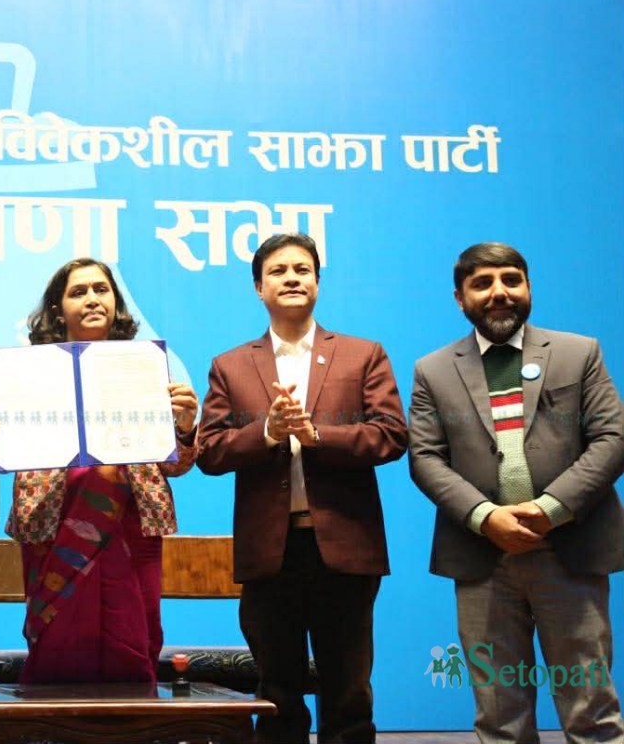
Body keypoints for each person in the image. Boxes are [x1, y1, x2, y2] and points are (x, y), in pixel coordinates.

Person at [409, 242, 624, 744]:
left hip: (568, 550)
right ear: (460, 298)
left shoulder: (578, 353)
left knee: (590, 709)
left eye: (511, 279)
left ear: (528, 287)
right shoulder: (432, 370)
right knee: (500, 717)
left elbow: (612, 439)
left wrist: (550, 510)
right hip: (483, 556)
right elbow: (425, 458)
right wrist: (486, 517)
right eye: (482, 283)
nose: (499, 292)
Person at [196, 233, 406, 744]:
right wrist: (268, 433)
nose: (291, 278)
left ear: (317, 281)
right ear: (258, 287)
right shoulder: (230, 365)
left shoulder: (362, 355)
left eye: (302, 269)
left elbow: (391, 434)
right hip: (272, 554)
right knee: (278, 695)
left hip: (344, 549)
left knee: (348, 694)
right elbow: (210, 452)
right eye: (278, 271)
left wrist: (317, 436)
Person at [0, 257, 199, 684]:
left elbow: (177, 465)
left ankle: (134, 720)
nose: (92, 299)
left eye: (101, 289)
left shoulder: (145, 368)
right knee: (59, 649)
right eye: (78, 292)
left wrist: (185, 427)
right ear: (58, 310)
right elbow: (5, 452)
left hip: (131, 526)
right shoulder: (25, 374)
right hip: (51, 524)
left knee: (133, 642)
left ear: (116, 303)